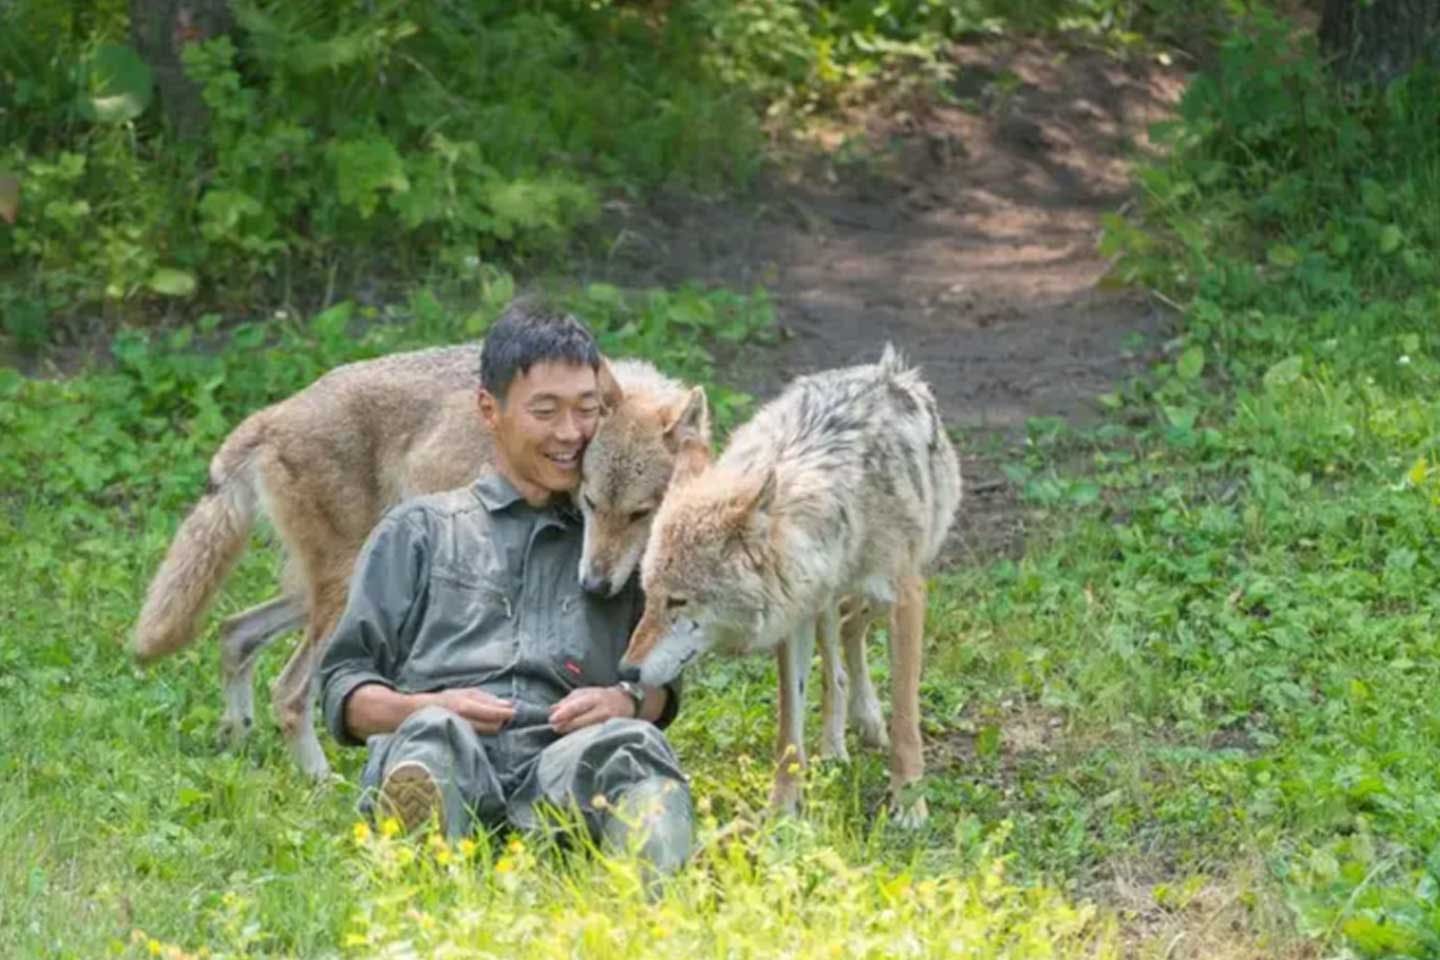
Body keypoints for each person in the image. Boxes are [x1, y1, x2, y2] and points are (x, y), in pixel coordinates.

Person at [318, 300, 692, 876]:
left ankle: (653, 878)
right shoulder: (420, 530)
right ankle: (429, 828)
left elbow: (663, 686)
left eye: (586, 410)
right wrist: (425, 705)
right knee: (431, 742)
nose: (570, 433)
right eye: (545, 411)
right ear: (488, 410)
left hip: (568, 759)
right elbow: (345, 688)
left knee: (632, 752)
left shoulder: (619, 543)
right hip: (454, 745)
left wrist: (627, 702)